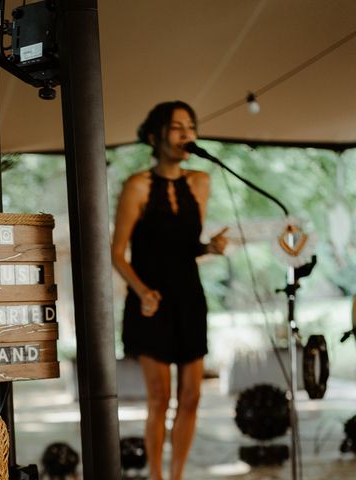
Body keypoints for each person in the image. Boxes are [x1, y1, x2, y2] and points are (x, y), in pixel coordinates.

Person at [111, 101, 228, 480]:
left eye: (190, 127)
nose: (186, 134)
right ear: (154, 136)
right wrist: (142, 292)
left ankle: (177, 476)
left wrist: (210, 247)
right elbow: (117, 253)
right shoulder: (137, 186)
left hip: (190, 299)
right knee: (159, 399)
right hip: (151, 302)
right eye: (177, 127)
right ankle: (156, 477)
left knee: (191, 397)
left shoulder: (201, 182)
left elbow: (185, 246)